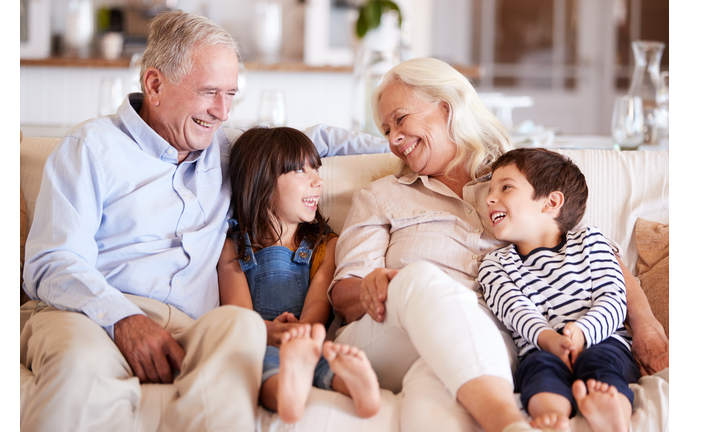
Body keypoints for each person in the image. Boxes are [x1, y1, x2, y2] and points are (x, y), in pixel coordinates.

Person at [19, 10, 387, 431]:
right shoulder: (91, 148)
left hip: (196, 326)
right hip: (90, 315)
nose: (222, 111)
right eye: (210, 92)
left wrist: (405, 146)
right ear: (154, 84)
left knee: (240, 329)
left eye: (231, 94)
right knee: (79, 362)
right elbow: (52, 261)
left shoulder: (226, 148)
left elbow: (312, 140)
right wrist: (122, 318)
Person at [329, 57, 668, 432]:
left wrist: (646, 325)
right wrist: (372, 288)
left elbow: (592, 253)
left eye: (400, 119)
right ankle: (510, 425)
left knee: (432, 395)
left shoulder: (517, 181)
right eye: (385, 129)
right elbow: (343, 294)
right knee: (420, 280)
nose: (393, 139)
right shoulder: (380, 196)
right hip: (392, 330)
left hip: (493, 340)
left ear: (446, 107)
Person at [217, 127, 381, 423]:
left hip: (308, 339)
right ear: (261, 181)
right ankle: (286, 395)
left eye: (317, 169)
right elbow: (237, 311)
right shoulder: (234, 245)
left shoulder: (326, 244)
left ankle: (359, 387)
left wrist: (303, 333)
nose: (318, 181)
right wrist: (269, 331)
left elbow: (320, 300)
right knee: (258, 367)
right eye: (302, 172)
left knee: (325, 359)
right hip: (258, 339)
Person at [478, 148, 640, 432]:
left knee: (603, 363)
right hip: (541, 347)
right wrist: (550, 340)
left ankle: (613, 413)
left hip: (602, 341)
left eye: (505, 187)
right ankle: (553, 416)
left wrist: (582, 333)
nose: (490, 198)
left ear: (551, 202)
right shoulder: (495, 264)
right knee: (540, 369)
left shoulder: (591, 241)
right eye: (490, 190)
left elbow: (613, 298)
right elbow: (514, 309)